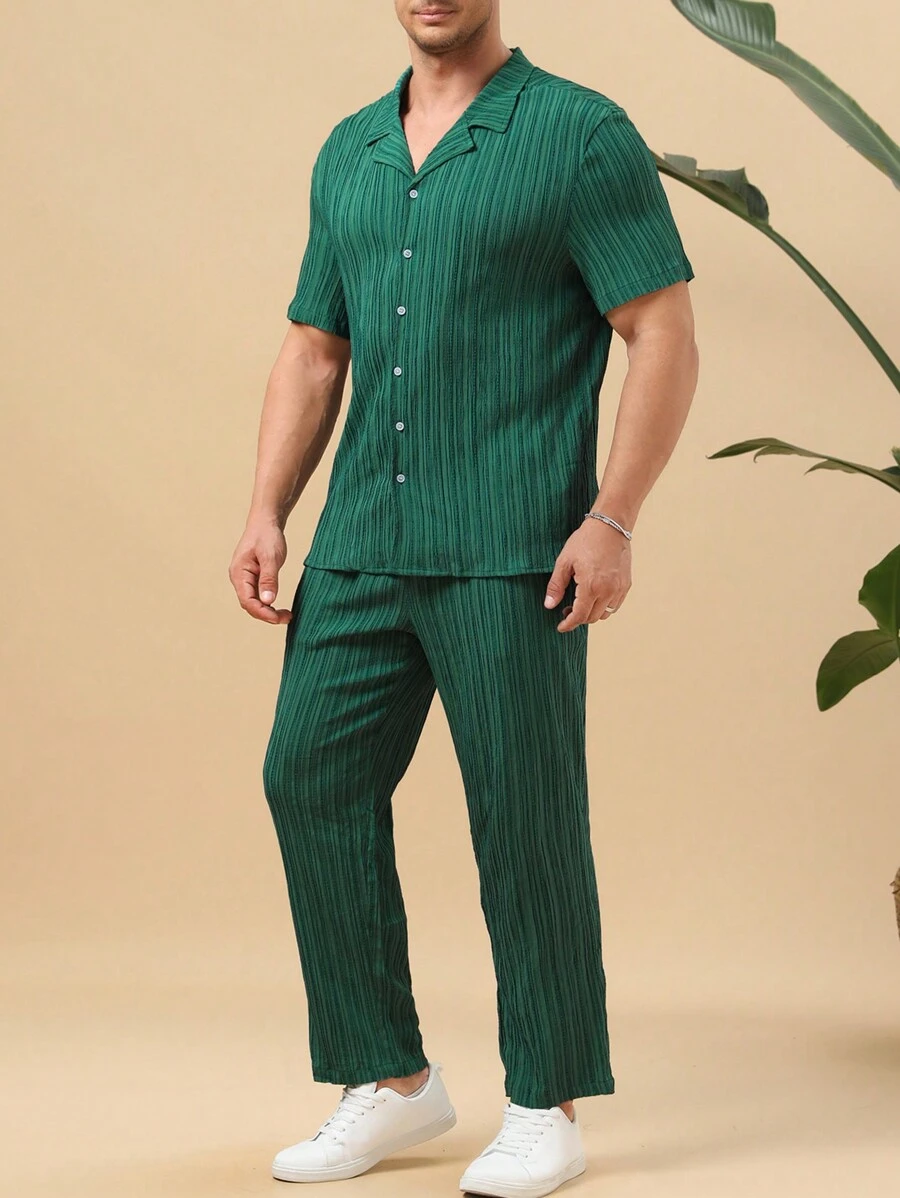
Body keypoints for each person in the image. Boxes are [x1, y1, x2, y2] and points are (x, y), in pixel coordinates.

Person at [228, 2, 699, 1194]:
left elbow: (660, 331)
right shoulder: (351, 149)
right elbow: (315, 348)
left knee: (524, 818)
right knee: (308, 778)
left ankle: (548, 1102)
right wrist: (268, 507)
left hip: (515, 543)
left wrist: (613, 517)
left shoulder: (582, 134)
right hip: (359, 544)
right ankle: (391, 1081)